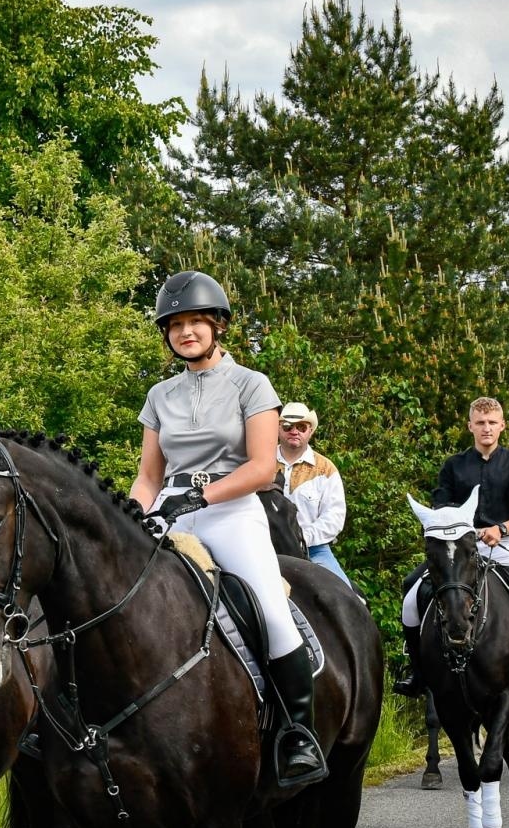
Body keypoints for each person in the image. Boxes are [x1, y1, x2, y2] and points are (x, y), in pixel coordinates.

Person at [129, 270, 327, 787]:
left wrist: (203, 495)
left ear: (217, 326)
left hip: (233, 510)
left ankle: (297, 735)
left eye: (196, 321)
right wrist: (132, 511)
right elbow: (149, 475)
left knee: (269, 607)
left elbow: (262, 467)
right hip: (171, 510)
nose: (185, 331)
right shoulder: (160, 394)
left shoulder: (250, 384)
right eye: (175, 324)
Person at [395, 397, 509, 697]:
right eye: (480, 423)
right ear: (470, 426)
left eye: (492, 423)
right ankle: (416, 671)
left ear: (502, 426)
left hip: (502, 546)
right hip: (459, 551)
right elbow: (441, 511)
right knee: (411, 594)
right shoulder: (453, 466)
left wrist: (500, 529)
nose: (486, 428)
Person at [275, 401, 351, 587]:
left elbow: (334, 516)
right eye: (287, 426)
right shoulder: (260, 463)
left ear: (310, 431)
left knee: (348, 597)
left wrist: (303, 538)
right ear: (278, 429)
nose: (294, 431)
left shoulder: (326, 469)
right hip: (265, 548)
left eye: (301, 427)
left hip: (314, 550)